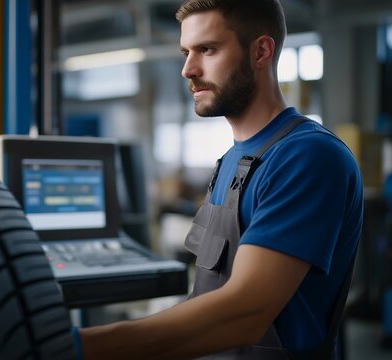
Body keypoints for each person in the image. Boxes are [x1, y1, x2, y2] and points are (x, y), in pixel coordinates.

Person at [73, 0, 363, 359]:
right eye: (186, 52)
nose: (188, 69)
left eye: (207, 49)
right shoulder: (232, 159)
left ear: (261, 52)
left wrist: (84, 345)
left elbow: (246, 312)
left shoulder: (308, 156)